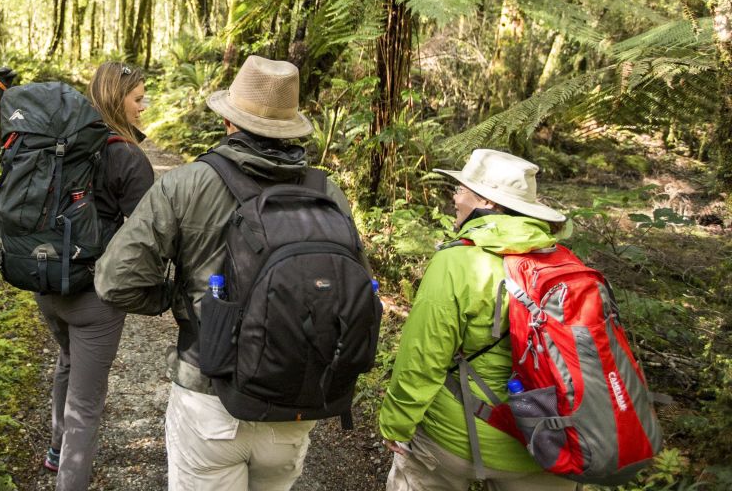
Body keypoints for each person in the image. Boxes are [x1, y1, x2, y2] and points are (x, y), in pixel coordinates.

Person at [95, 55, 368, 491]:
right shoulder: (328, 194)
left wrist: (176, 298)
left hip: (208, 396)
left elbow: (115, 281)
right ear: (291, 127)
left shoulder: (184, 184)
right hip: (297, 402)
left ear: (229, 122)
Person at [378, 148, 579, 491]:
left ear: (490, 204)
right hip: (546, 443)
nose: (454, 198)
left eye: (461, 190)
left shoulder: (457, 263)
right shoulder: (562, 262)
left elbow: (423, 359)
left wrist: (396, 425)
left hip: (455, 440)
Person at [36, 61, 154, 491]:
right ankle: (70, 478)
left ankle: (55, 448)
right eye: (138, 98)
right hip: (93, 297)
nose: (144, 106)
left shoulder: (56, 144)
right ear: (115, 98)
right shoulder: (126, 155)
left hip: (45, 281)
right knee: (86, 406)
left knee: (67, 360)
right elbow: (146, 236)